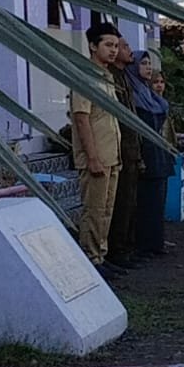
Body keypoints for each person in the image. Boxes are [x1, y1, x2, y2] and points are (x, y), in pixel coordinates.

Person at [73, 22, 125, 278]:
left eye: (116, 46)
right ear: (93, 46)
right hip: (96, 156)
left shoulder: (107, 76)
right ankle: (90, 258)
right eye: (108, 45)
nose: (113, 50)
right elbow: (81, 118)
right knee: (93, 211)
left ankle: (101, 254)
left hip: (111, 154)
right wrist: (92, 157)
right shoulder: (84, 76)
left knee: (106, 210)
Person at [129, 50, 178, 259]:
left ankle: (156, 242)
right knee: (146, 202)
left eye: (149, 63)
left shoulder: (151, 97)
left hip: (160, 154)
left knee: (158, 201)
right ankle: (143, 244)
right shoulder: (134, 96)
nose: (148, 67)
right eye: (143, 63)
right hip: (145, 154)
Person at [106, 35, 144, 270]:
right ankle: (115, 250)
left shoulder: (125, 76)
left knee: (130, 202)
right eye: (124, 46)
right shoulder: (111, 77)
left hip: (131, 148)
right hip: (119, 148)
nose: (128, 50)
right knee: (120, 202)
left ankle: (127, 247)